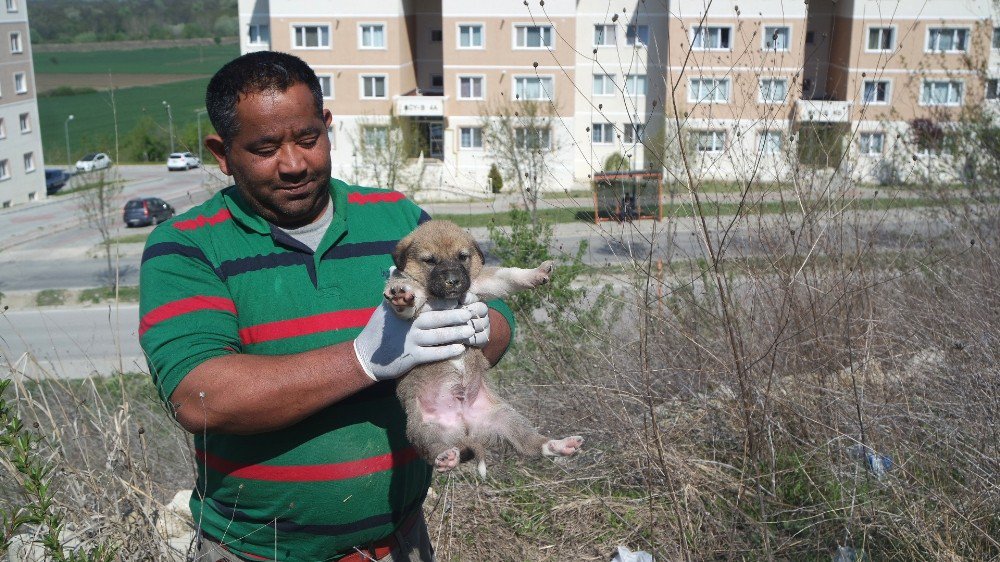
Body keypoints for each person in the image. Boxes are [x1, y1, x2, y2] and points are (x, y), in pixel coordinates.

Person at [138, 51, 515, 562]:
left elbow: (497, 325)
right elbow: (201, 397)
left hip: (399, 542)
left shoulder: (396, 218)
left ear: (328, 126)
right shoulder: (185, 246)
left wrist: (472, 326)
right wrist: (362, 360)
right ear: (222, 153)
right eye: (265, 148)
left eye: (308, 139)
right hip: (258, 552)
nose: (294, 164)